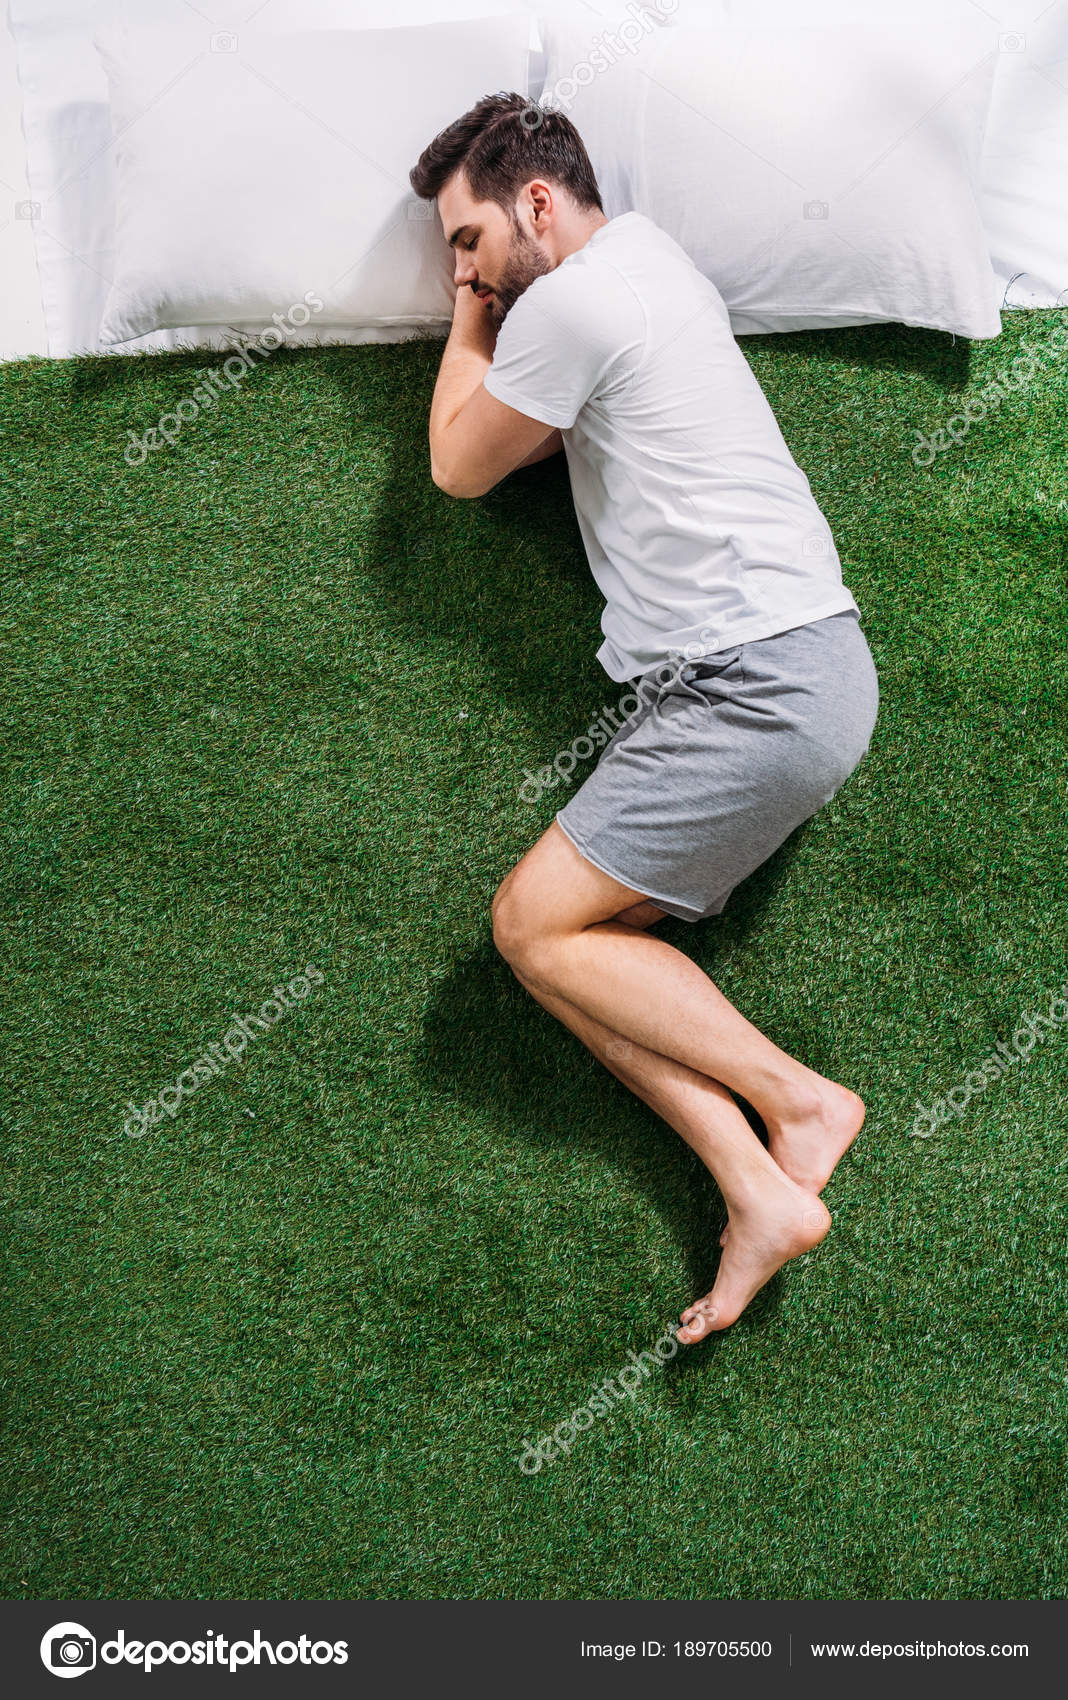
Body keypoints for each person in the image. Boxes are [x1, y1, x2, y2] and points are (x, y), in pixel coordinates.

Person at [409, 93, 879, 1343]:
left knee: (527, 923)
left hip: (755, 680)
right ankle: (753, 1179)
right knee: (575, 956)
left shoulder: (568, 300)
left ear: (538, 204)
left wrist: (469, 314)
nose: (462, 271)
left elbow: (457, 466)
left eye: (465, 238)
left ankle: (800, 1100)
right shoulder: (650, 256)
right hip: (789, 674)